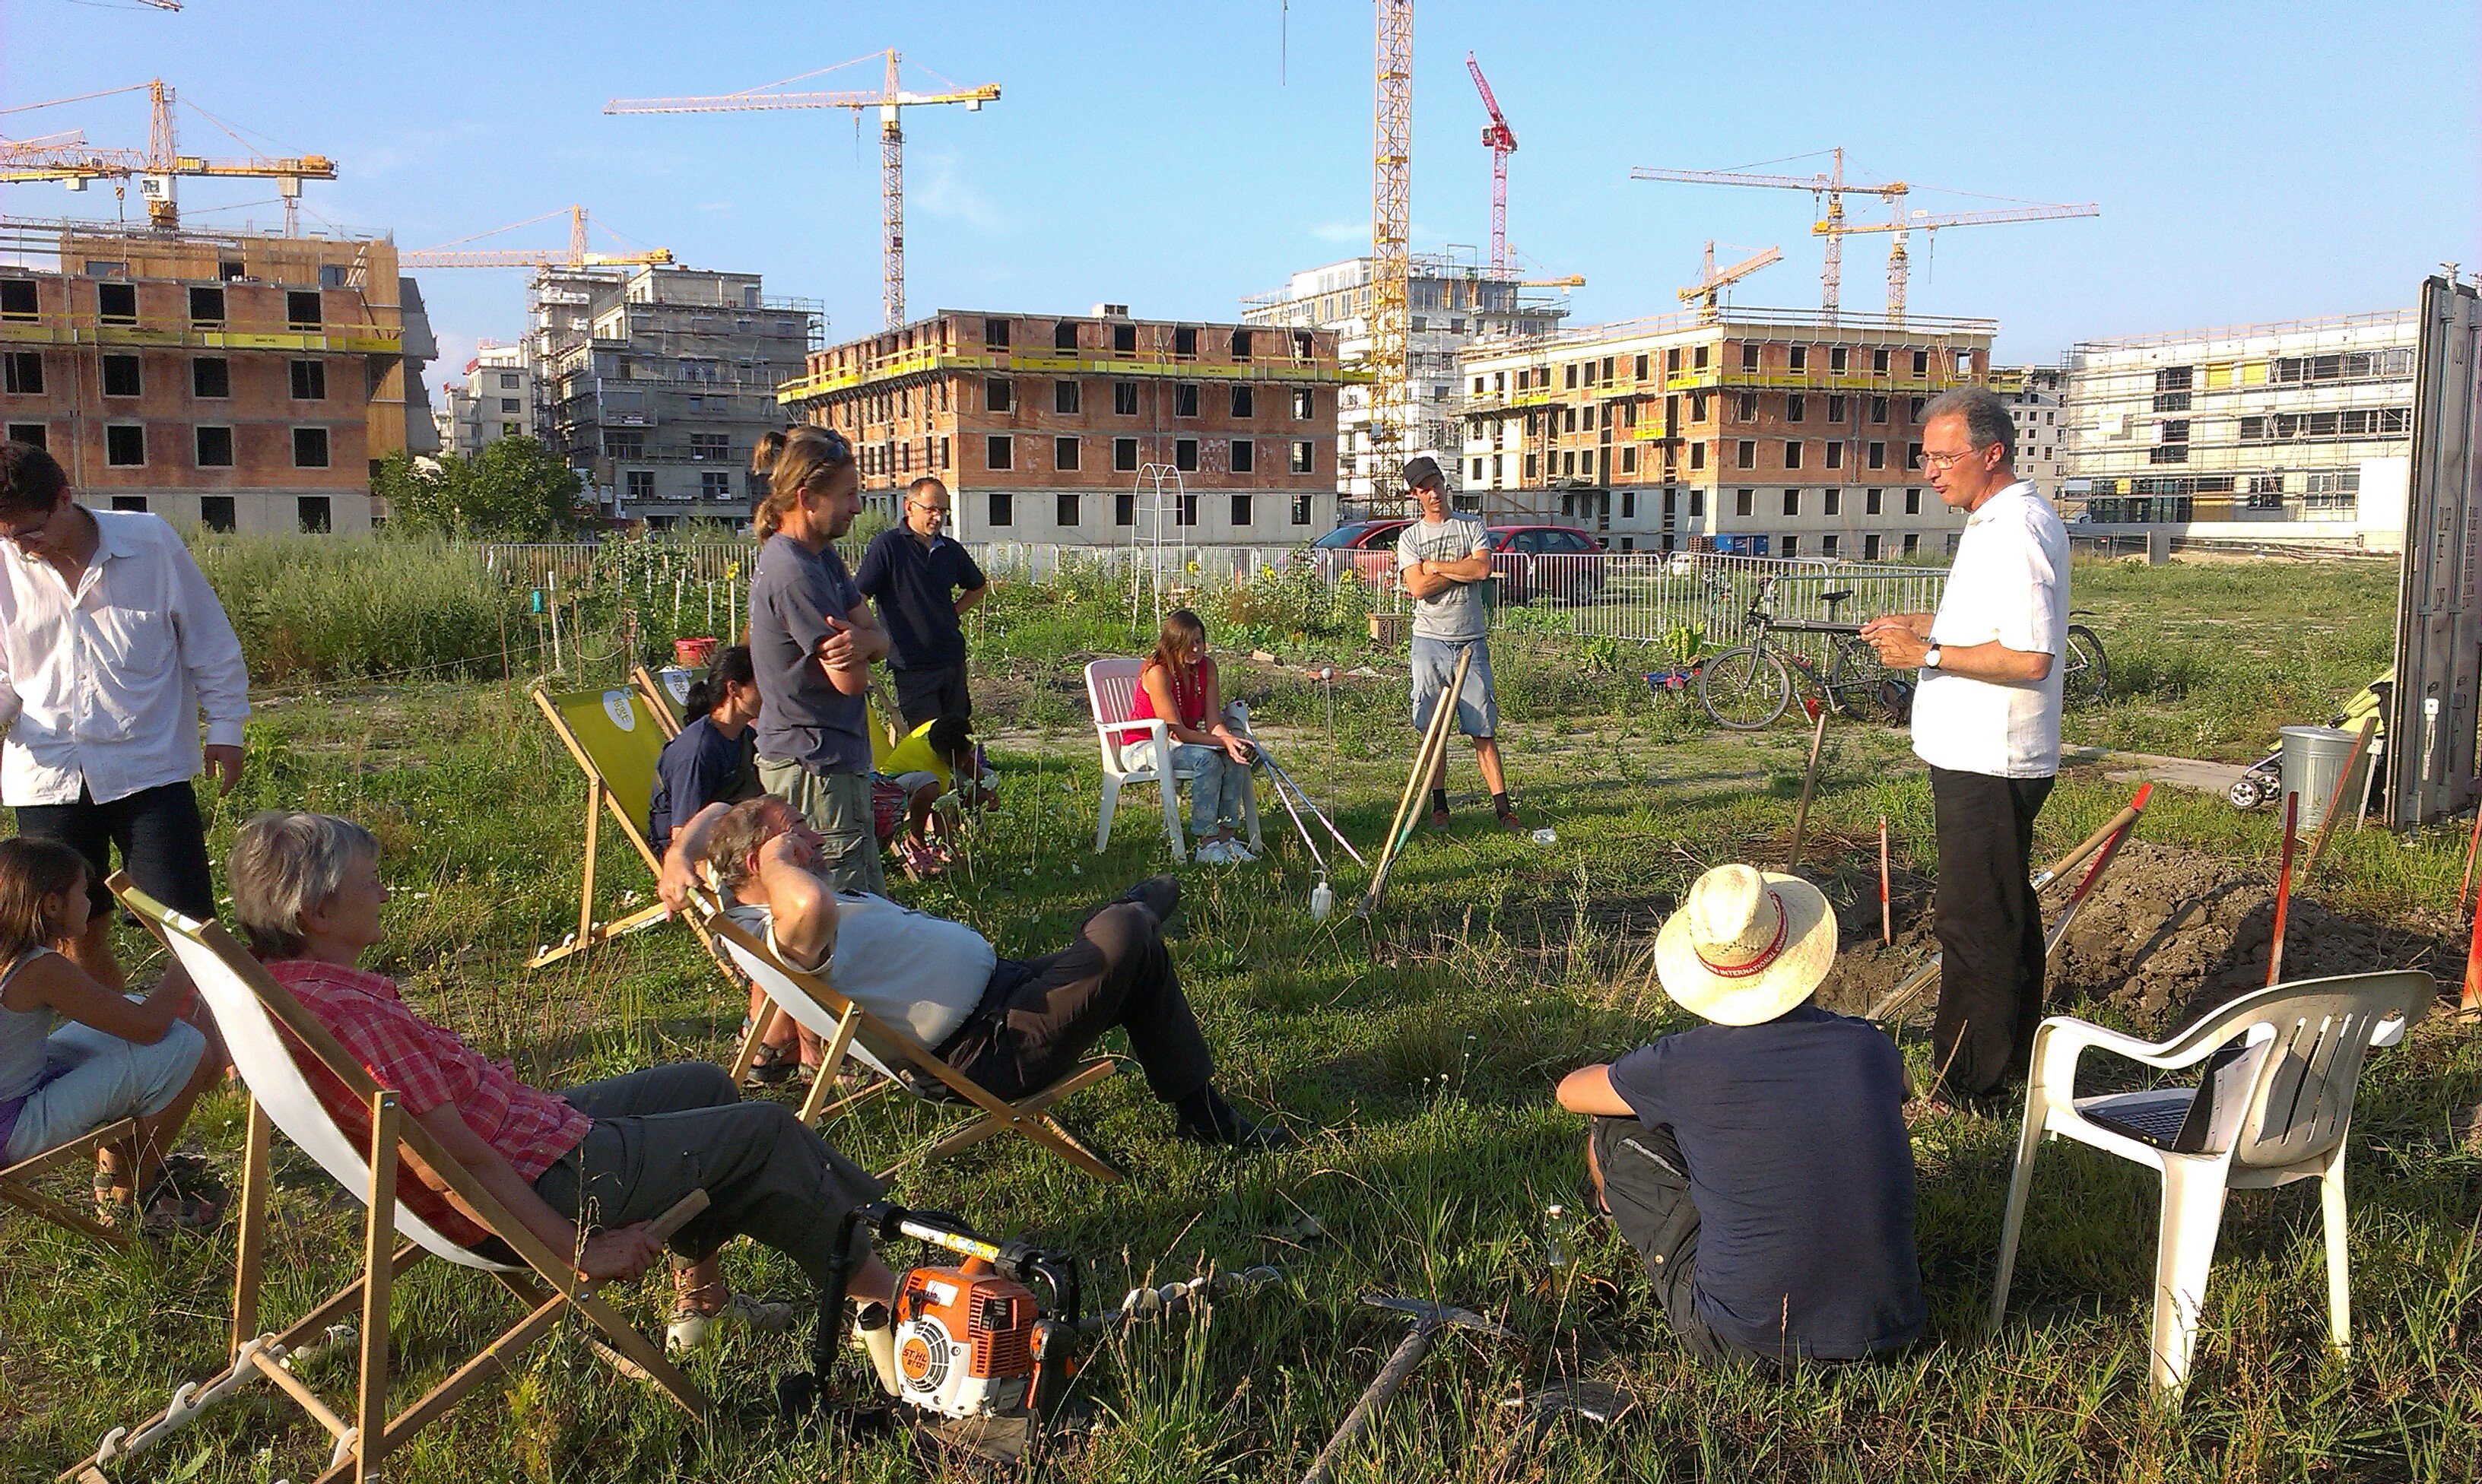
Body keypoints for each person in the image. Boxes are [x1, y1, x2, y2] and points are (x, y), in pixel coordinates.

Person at [227, 810, 906, 1352]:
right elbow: (451, 1163)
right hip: (544, 1181)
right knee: (764, 1133)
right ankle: (893, 1307)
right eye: (368, 880)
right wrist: (576, 1247)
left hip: (530, 1134)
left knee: (703, 1086)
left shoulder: (288, 986)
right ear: (316, 912)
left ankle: (703, 1306)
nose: (382, 892)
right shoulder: (352, 1021)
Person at [658, 795, 1292, 1150]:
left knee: (1141, 925)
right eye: (799, 837)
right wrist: (775, 854)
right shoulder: (775, 930)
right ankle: (1204, 1113)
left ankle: (1199, 1107)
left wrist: (680, 853)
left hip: (1008, 991)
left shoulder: (758, 902)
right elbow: (808, 901)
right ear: (757, 865)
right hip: (990, 1047)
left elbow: (715, 811)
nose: (816, 843)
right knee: (1130, 933)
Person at [1555, 864, 1924, 1368]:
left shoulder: (1683, 1063)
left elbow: (1571, 1093)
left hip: (1742, 1341)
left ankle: (1612, 1211)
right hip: (1889, 1327)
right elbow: (1902, 1087)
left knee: (1613, 1128)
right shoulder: (1868, 1046)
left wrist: (1629, 1071)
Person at [1861, 386, 2068, 1108]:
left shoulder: (2015, 530)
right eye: (1925, 457)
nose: (1930, 471)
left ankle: (1963, 1085)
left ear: (1993, 453)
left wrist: (1929, 651)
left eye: (1944, 457)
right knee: (2004, 916)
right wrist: (1923, 621)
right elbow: (1993, 621)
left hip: (1991, 757)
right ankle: (2010, 1065)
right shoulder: (1996, 522)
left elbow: (2031, 656)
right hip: (1977, 755)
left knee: (1973, 925)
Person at [0, 441, 249, 992]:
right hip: (46, 776)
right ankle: (121, 1045)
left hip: (148, 766)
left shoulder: (150, 542)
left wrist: (226, 729)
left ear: (65, 498)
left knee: (188, 927)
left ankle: (225, 1053)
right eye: (6, 534)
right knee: (72, 929)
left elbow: (210, 642)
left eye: (27, 531)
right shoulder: (4, 561)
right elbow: (4, 676)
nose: (19, 547)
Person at [0, 836, 221, 1232]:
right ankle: (134, 1196)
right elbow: (150, 1028)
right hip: (13, 1129)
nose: (91, 903)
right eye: (83, 892)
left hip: (15, 1093)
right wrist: (186, 960)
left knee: (136, 1011)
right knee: (185, 1045)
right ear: (52, 905)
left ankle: (125, 1169)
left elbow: (130, 1017)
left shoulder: (12, 954)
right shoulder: (40, 967)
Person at [747, 426, 890, 896]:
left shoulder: (820, 556)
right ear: (807, 498)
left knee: (863, 898)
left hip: (832, 759)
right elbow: (851, 682)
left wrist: (869, 642)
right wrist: (871, 644)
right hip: (813, 769)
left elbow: (877, 634)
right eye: (849, 494)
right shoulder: (795, 574)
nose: (856, 506)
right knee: (841, 905)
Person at [1393, 454, 1522, 832]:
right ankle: (1440, 807)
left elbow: (1482, 568)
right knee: (1433, 730)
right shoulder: (1411, 538)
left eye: (1436, 485)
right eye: (1423, 489)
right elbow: (1417, 588)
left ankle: (1503, 810)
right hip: (1429, 641)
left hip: (1471, 641)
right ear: (1415, 495)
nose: (1433, 494)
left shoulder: (1471, 526)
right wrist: (1457, 571)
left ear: (1444, 484)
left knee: (1482, 727)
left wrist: (1436, 567)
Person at [854, 477, 989, 750]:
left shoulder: (950, 550)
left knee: (956, 734)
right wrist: (871, 636)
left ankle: (963, 786)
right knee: (925, 737)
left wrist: (951, 613)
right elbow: (859, 596)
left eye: (943, 511)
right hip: (912, 662)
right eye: (931, 509)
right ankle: (929, 789)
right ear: (909, 507)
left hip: (950, 657)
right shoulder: (888, 547)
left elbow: (978, 587)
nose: (937, 517)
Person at [1128, 609, 1258, 864]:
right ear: (1173, 644)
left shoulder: (1207, 667)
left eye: (1199, 642)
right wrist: (1224, 742)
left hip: (1179, 743)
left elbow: (1213, 723)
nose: (1196, 650)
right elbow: (1176, 730)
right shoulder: (1158, 672)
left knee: (1235, 757)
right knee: (1207, 760)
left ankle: (1226, 838)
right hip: (1144, 745)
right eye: (1189, 644)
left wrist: (1231, 742)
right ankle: (1206, 844)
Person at [648, 644, 762, 858]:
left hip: (734, 841)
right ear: (734, 689)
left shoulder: (745, 736)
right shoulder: (698, 751)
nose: (770, 692)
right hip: (694, 855)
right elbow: (682, 835)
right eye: (762, 684)